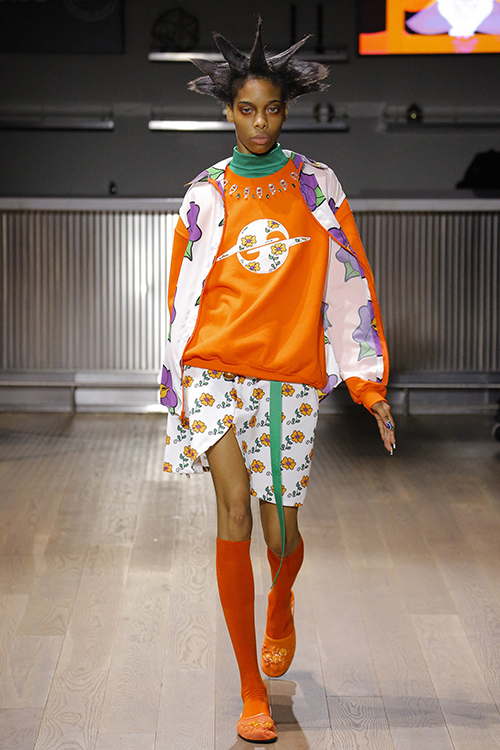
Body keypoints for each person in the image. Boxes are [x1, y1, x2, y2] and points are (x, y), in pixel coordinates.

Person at [160, 18, 396, 744]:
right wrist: (174, 385)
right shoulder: (205, 193)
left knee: (282, 532)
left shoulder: (317, 185)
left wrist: (367, 382)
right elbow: (181, 297)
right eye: (246, 109)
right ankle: (250, 690)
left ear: (285, 111)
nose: (259, 122)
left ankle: (281, 598)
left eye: (271, 109)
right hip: (215, 367)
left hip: (288, 376)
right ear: (227, 113)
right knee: (233, 510)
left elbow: (350, 280)